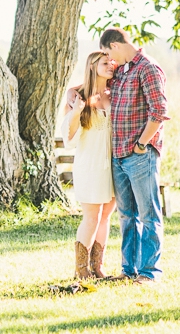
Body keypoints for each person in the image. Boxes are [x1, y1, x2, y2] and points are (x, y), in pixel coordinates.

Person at [100, 27, 169, 284]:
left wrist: (141, 144)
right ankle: (129, 271)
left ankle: (150, 273)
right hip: (118, 156)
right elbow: (93, 81)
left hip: (139, 154)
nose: (110, 59)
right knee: (127, 216)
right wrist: (73, 93)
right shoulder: (122, 71)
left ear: (115, 45)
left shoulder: (147, 68)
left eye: (108, 53)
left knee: (149, 215)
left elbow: (159, 111)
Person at [61, 51, 117, 280]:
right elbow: (69, 139)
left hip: (113, 165)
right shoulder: (78, 95)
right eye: (105, 63)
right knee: (92, 216)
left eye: (111, 62)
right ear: (92, 67)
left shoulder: (115, 94)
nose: (110, 65)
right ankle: (81, 269)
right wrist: (76, 112)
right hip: (90, 166)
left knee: (106, 216)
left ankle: (98, 266)